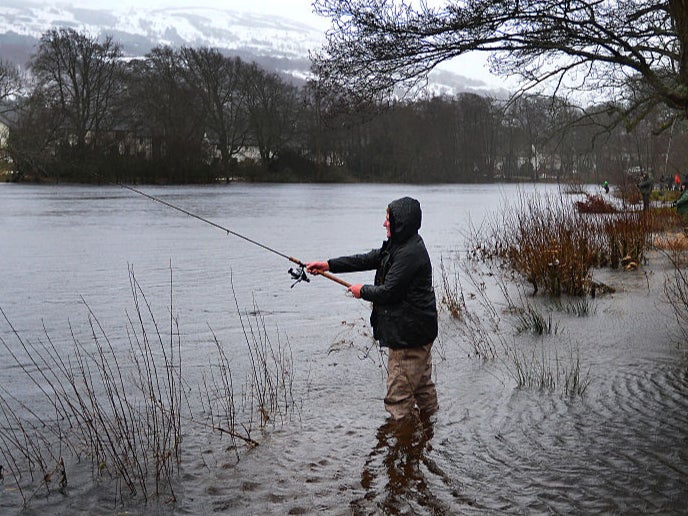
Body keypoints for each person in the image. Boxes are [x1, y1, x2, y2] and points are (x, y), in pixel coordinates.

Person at [306, 196, 439, 422]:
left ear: (401, 223)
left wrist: (362, 291)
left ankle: (401, 448)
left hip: (408, 339)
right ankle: (430, 432)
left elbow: (389, 292)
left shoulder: (409, 254)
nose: (384, 223)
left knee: (398, 400)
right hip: (418, 333)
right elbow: (367, 259)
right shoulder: (402, 244)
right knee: (423, 388)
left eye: (388, 219)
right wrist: (329, 265)